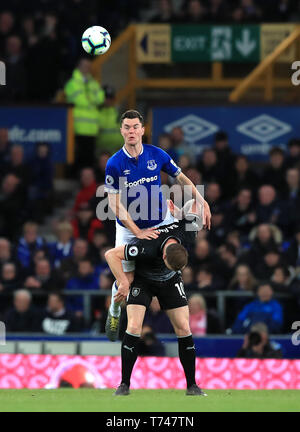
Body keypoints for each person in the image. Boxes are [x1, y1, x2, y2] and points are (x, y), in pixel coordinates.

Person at [104, 110, 211, 341]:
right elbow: (115, 206)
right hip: (128, 227)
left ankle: (171, 294)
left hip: (162, 218)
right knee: (127, 281)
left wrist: (203, 201)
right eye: (127, 127)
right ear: (121, 131)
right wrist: (137, 232)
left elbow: (180, 177)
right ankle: (114, 310)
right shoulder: (114, 164)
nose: (131, 131)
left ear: (142, 130)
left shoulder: (157, 154)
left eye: (135, 127)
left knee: (191, 216)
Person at [105, 198, 207, 396]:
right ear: (164, 257)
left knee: (184, 328)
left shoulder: (187, 232)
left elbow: (195, 204)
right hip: (143, 280)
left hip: (170, 281)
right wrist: (124, 283)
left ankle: (192, 385)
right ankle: (124, 384)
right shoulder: (146, 245)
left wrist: (185, 206)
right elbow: (111, 255)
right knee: (134, 326)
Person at [64, 57, 105, 172]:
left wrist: (89, 99)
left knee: (89, 158)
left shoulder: (93, 83)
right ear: (79, 66)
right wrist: (92, 100)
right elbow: (80, 101)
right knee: (78, 157)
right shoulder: (72, 83)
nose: (86, 69)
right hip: (78, 127)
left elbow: (101, 98)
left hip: (92, 128)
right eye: (84, 66)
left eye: (88, 66)